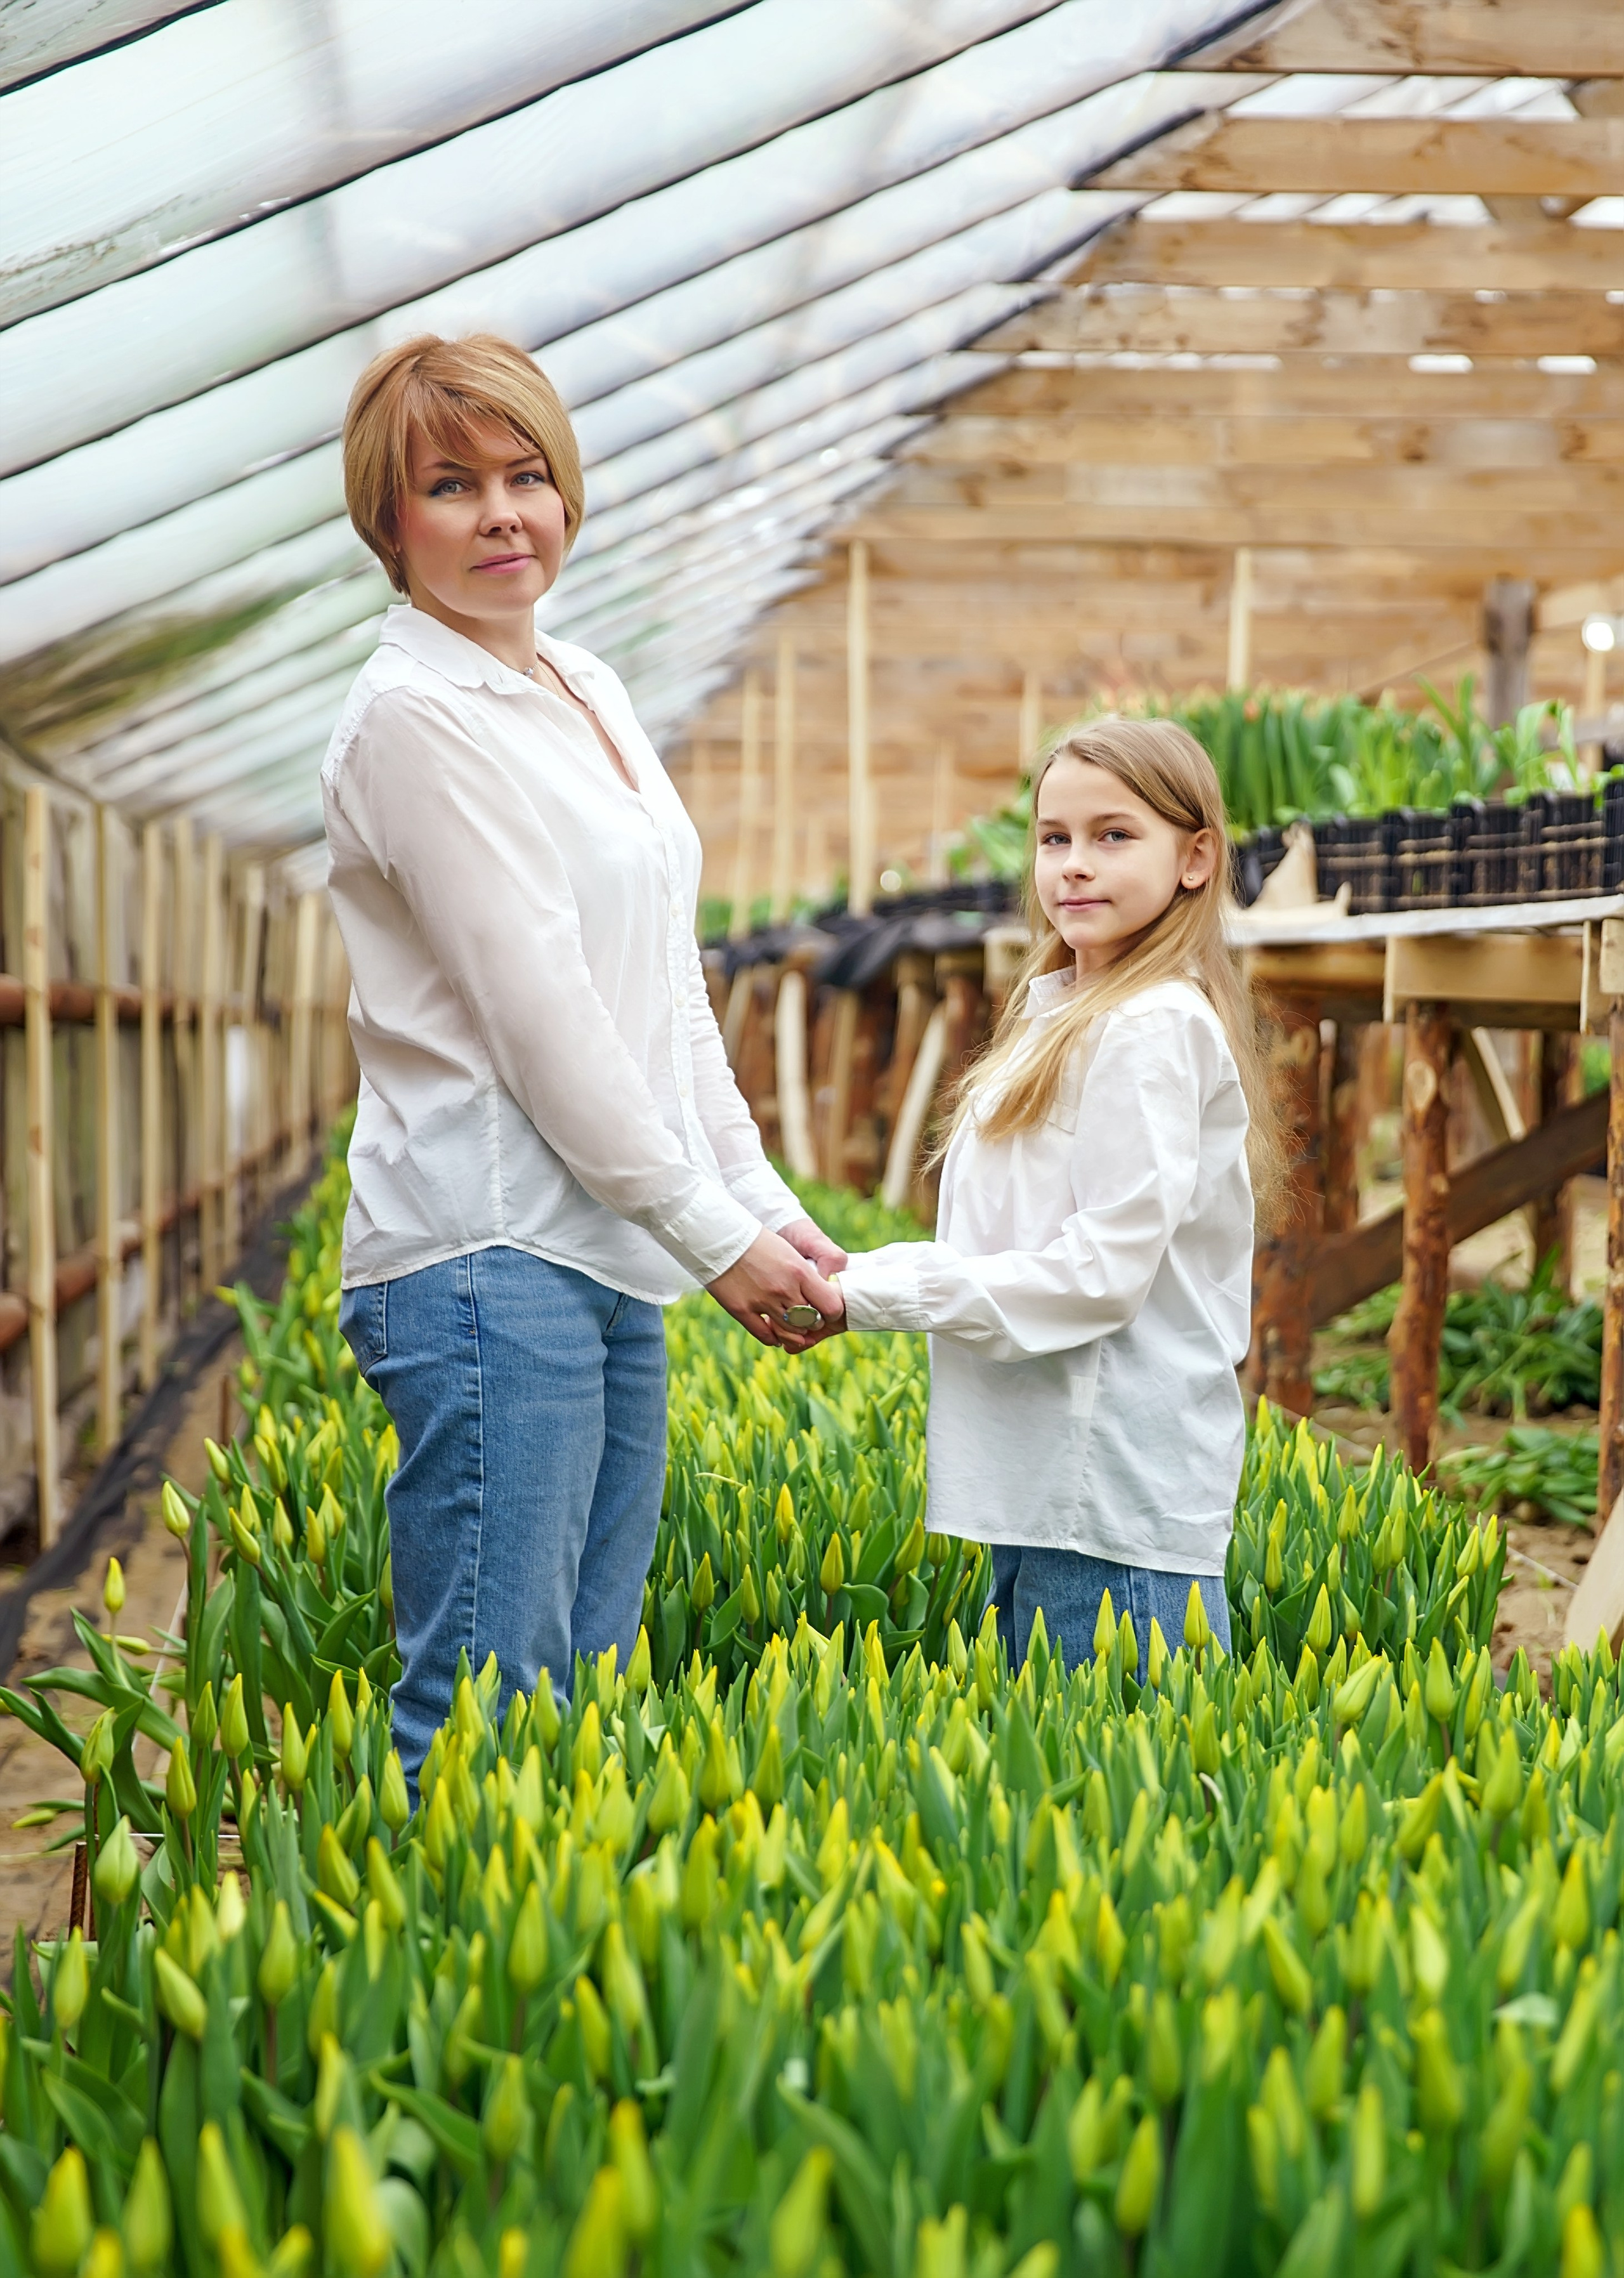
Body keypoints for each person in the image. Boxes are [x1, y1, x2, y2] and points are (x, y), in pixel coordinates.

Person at [322, 332, 843, 1788]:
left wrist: (756, 1197)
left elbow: (661, 984)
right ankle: (414, 1994)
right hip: (486, 1251)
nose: (501, 514)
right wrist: (713, 1240)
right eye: (450, 485)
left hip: (598, 1250)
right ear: (390, 521)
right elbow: (543, 1020)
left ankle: (535, 1995)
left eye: (525, 475)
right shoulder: (416, 721)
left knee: (581, 1694)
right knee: (485, 1702)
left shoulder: (585, 685)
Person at [828, 717, 1283, 1675]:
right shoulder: (1062, 1014)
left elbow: (1097, 1278)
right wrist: (852, 1273)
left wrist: (867, 1297)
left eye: (1115, 836)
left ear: (1196, 858)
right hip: (1043, 1479)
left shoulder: (1150, 1028)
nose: (1074, 864)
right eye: (1054, 838)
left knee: (1125, 1803)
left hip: (1108, 1501)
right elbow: (1014, 1238)